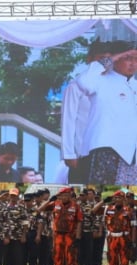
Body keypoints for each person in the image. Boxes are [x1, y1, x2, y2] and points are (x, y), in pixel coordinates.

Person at [74, 41, 137, 184]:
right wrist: (113, 58)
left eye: (136, 59)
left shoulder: (134, 85)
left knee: (127, 198)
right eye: (128, 58)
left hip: (132, 152)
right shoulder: (100, 80)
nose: (132, 64)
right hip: (107, 149)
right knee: (103, 196)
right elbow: (83, 81)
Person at [60, 40, 111, 183]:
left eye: (109, 59)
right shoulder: (76, 85)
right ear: (89, 59)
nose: (105, 63)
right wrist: (69, 153)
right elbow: (68, 120)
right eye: (101, 59)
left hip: (107, 153)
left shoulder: (116, 86)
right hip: (83, 153)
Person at [39, 187, 82, 265]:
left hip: (70, 235)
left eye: (66, 195)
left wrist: (78, 236)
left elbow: (79, 221)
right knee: (57, 256)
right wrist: (50, 200)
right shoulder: (55, 203)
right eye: (62, 195)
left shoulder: (75, 206)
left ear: (69, 196)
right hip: (58, 234)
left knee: (71, 257)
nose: (64, 197)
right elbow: (40, 209)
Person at [93, 190, 134, 265]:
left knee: (124, 261)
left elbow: (133, 227)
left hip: (123, 238)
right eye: (115, 198)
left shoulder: (128, 210)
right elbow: (94, 211)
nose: (117, 200)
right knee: (112, 260)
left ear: (123, 199)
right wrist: (103, 201)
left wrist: (132, 241)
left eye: (120, 198)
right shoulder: (108, 208)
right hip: (112, 237)